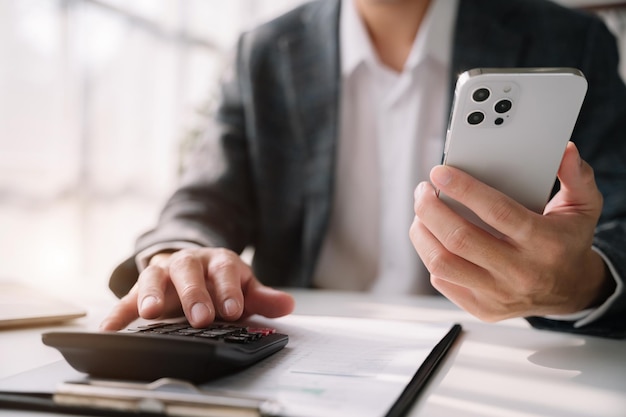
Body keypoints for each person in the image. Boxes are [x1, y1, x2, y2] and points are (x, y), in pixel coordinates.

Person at [101, 0, 626, 338]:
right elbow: (204, 199)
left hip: (504, 347)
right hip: (304, 343)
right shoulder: (264, 53)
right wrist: (180, 255)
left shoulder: (572, 41)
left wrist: (578, 283)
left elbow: (619, 222)